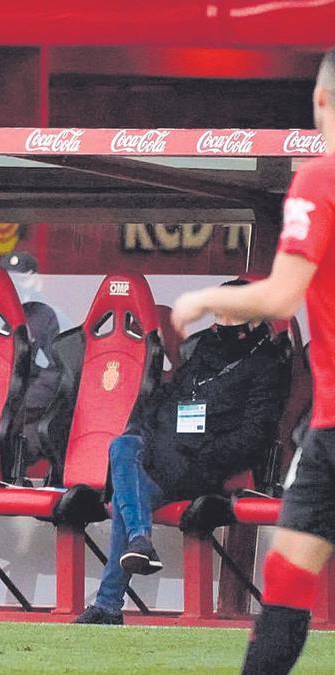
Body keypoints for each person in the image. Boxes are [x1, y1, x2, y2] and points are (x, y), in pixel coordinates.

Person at [172, 49, 335, 674]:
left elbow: (282, 296)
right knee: (288, 574)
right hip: (326, 432)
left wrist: (203, 298)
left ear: (319, 101)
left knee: (288, 582)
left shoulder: (321, 177)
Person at [75, 286, 287, 624]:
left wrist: (204, 453)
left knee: (127, 490)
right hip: (164, 451)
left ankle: (108, 603)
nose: (220, 322)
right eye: (217, 314)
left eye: (229, 314)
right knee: (123, 446)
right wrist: (148, 431)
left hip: (202, 465)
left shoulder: (267, 366)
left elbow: (254, 436)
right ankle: (138, 544)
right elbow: (168, 396)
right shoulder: (206, 347)